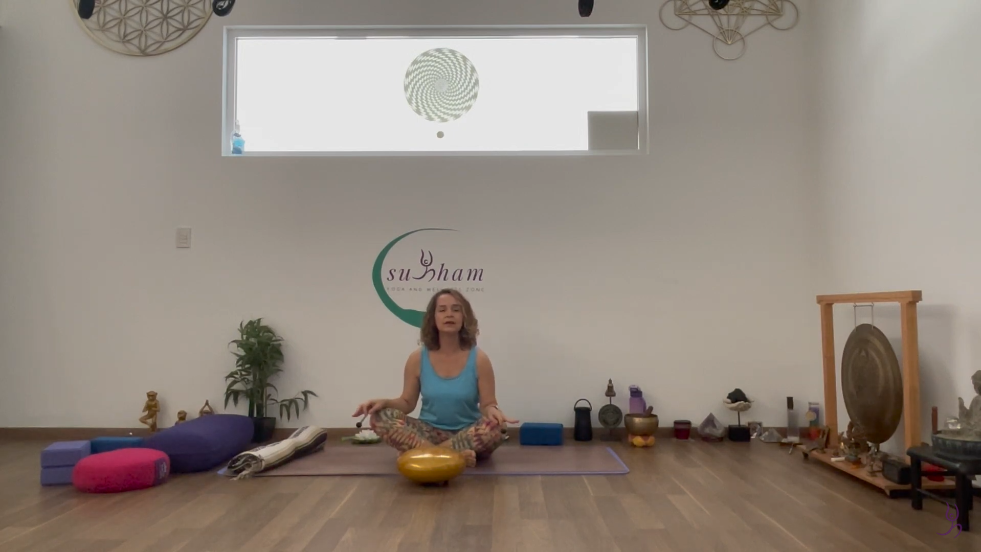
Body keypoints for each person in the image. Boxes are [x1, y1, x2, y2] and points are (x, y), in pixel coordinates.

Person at [353, 288, 518, 467]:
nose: (449, 314)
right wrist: (384, 402)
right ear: (433, 318)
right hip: (428, 433)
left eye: (456, 309)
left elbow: (487, 404)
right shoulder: (417, 358)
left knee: (497, 427)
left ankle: (422, 455)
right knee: (380, 417)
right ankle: (455, 457)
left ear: (464, 317)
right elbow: (407, 403)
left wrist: (493, 410)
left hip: (467, 434)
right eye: (442, 310)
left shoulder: (479, 359)